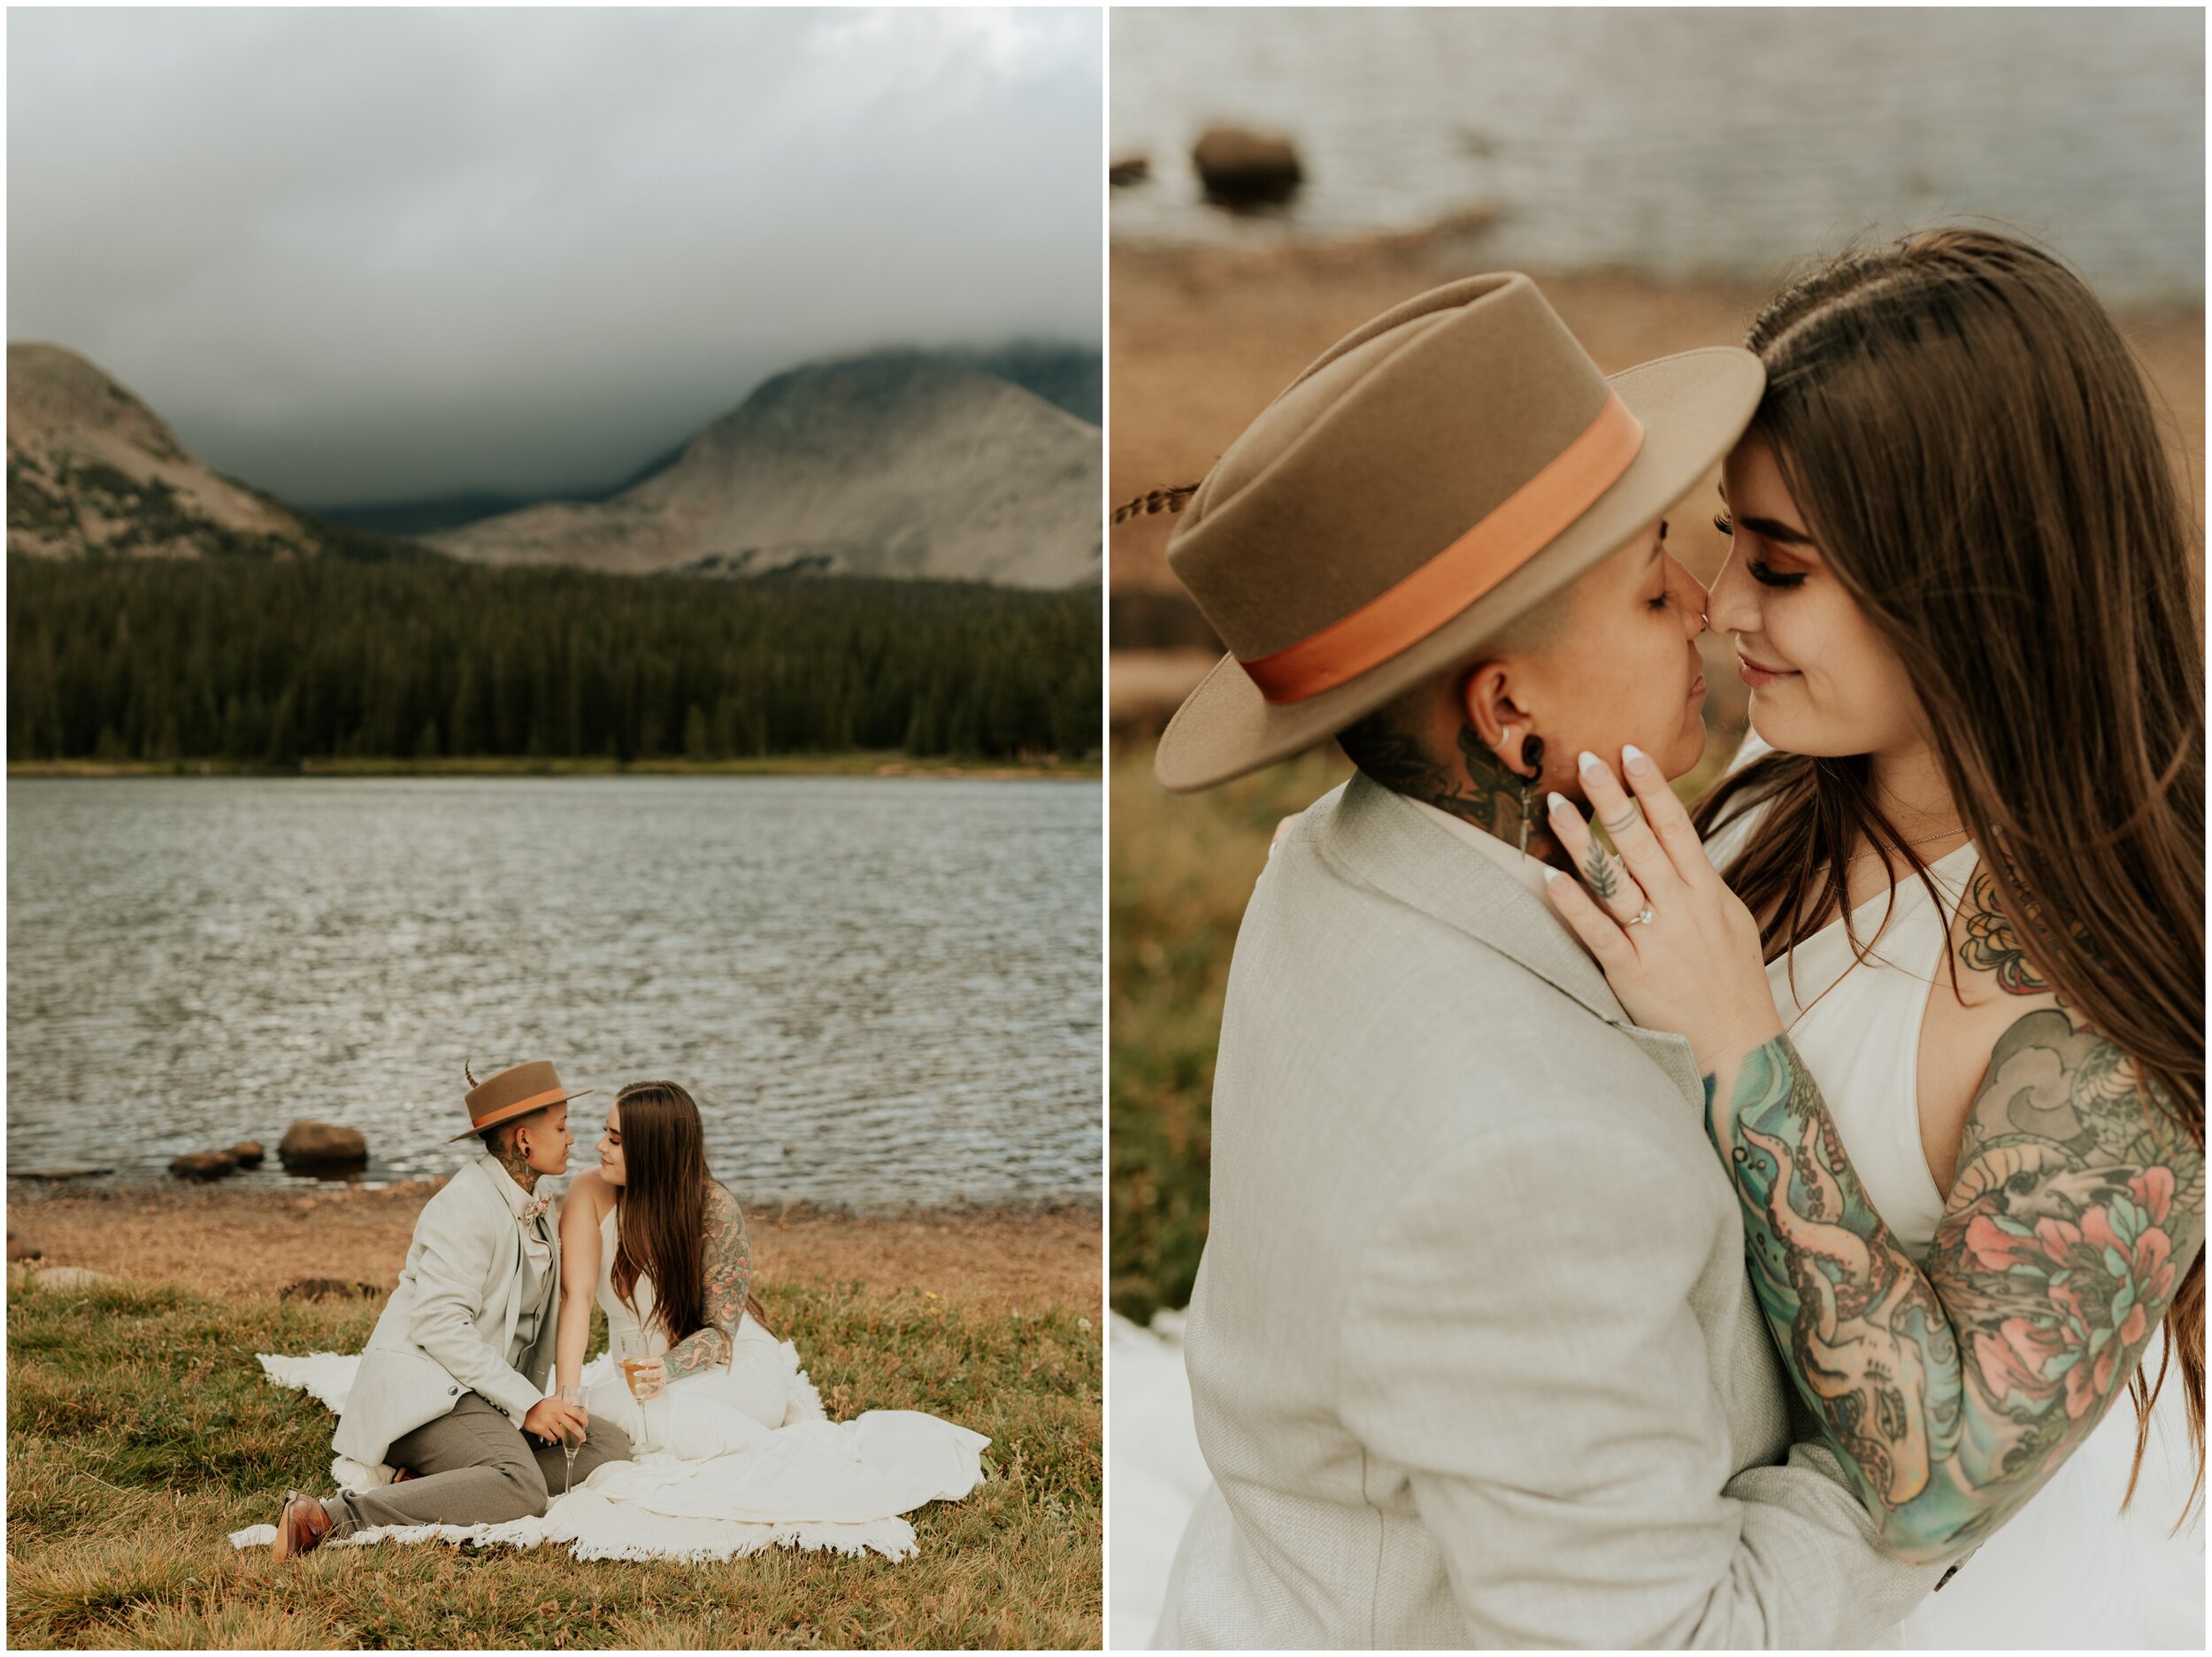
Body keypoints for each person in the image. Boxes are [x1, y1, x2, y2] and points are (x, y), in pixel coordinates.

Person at [1142, 272, 1947, 1645]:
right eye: (1650, 592)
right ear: (1512, 714)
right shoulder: (1518, 1173)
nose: (1707, 605)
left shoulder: (1334, 859)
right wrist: (1917, 1462)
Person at [1541, 228, 2205, 1648]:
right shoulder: (1775, 792)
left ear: (1971, 586)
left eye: (1779, 567)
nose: (1721, 613)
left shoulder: (2098, 1021)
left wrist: (1739, 1042)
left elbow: (1941, 1488)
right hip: (1634, 1541)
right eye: (1729, 546)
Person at [273, 1060, 632, 1558]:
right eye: (562, 1126)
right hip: (426, 1392)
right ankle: (328, 1518)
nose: (573, 1138)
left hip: (480, 1396)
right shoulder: (465, 1205)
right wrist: (528, 1404)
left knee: (604, 1446)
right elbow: (439, 1326)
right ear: (525, 1141)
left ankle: (434, 1483)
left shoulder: (539, 1196)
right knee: (522, 1486)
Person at [556, 1079, 795, 1454]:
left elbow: (721, 1332)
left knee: (636, 1414)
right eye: (606, 1133)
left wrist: (667, 1368)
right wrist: (565, 1398)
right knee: (579, 1409)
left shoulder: (714, 1208)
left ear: (654, 1150)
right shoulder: (588, 1190)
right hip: (639, 1378)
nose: (601, 1146)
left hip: (728, 1368)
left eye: (616, 1141)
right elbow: (577, 1298)